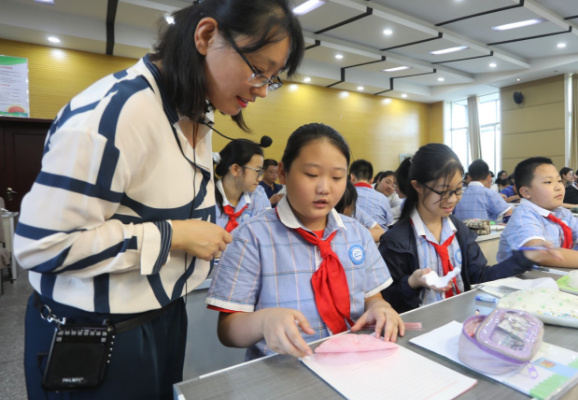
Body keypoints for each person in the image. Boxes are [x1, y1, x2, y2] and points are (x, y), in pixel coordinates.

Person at [15, 1, 304, 398]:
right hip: (94, 332)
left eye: (272, 79)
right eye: (258, 70)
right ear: (205, 36)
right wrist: (176, 236)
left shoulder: (199, 112)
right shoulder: (115, 115)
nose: (261, 90)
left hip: (163, 317)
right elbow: (41, 245)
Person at [206, 123, 404, 359]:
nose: (324, 188)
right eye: (311, 175)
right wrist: (261, 322)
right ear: (283, 172)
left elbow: (372, 296)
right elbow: (227, 331)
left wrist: (379, 307)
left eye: (337, 177)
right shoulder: (251, 237)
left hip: (353, 362)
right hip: (286, 371)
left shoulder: (356, 233)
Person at [378, 144, 552, 314]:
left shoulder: (459, 231)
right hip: (419, 329)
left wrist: (524, 258)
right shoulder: (396, 240)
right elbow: (386, 301)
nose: (453, 199)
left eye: (458, 190)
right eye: (444, 191)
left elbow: (481, 277)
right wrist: (411, 283)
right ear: (418, 187)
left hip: (462, 321)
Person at [214, 140, 270, 232]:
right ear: (235, 169)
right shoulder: (206, 197)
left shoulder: (258, 195)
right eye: (257, 171)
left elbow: (265, 233)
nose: (260, 179)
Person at [349, 159, 394, 229]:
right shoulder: (383, 199)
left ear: (352, 177)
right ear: (372, 180)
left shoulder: (344, 196)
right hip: (379, 238)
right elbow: (389, 223)